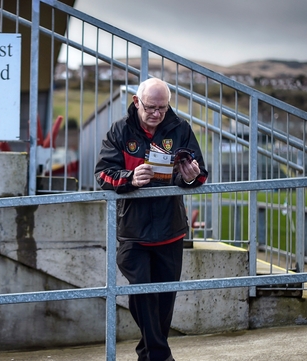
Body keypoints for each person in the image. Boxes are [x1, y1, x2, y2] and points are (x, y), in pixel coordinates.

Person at [94, 78, 208, 361]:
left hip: (170, 229)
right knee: (143, 294)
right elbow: (103, 175)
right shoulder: (119, 131)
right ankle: (160, 356)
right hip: (133, 232)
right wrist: (129, 178)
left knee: (164, 299)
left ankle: (149, 354)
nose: (157, 113)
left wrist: (190, 176)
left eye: (162, 107)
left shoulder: (180, 129)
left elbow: (199, 173)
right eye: (151, 107)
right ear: (136, 102)